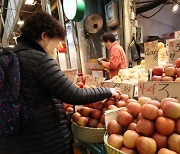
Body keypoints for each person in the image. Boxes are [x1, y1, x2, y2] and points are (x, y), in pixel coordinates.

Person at [0, 12, 121, 154]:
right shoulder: (40, 60)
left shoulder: (9, 57)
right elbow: (75, 95)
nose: (57, 48)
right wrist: (108, 91)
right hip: (44, 142)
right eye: (56, 42)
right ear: (44, 36)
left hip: (13, 140)